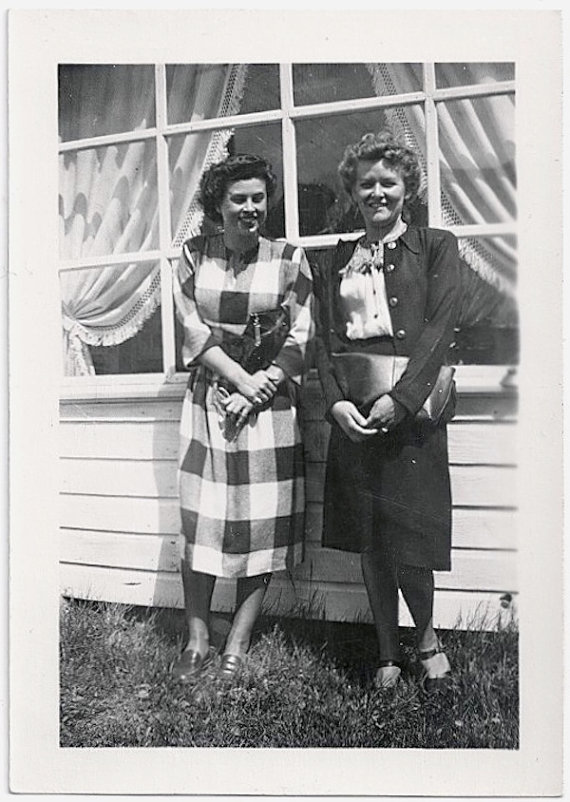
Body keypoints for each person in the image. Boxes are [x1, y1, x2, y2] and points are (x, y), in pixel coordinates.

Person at [312, 131, 460, 690]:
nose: (377, 192)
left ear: (407, 188)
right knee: (371, 538)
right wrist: (335, 405)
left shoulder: (436, 247)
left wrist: (401, 402)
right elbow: (323, 342)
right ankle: (386, 652)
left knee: (413, 541)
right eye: (366, 183)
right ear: (353, 190)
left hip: (412, 417)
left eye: (388, 182)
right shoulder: (333, 261)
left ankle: (425, 639)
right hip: (356, 416)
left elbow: (441, 331)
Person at [171, 153, 314, 681]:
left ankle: (238, 640)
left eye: (259, 198)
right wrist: (238, 380)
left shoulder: (289, 259)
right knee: (202, 518)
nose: (251, 208)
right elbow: (193, 330)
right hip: (210, 399)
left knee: (261, 525)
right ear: (218, 204)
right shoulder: (191, 255)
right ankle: (197, 638)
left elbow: (301, 335)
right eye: (239, 198)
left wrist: (259, 388)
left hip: (268, 406)